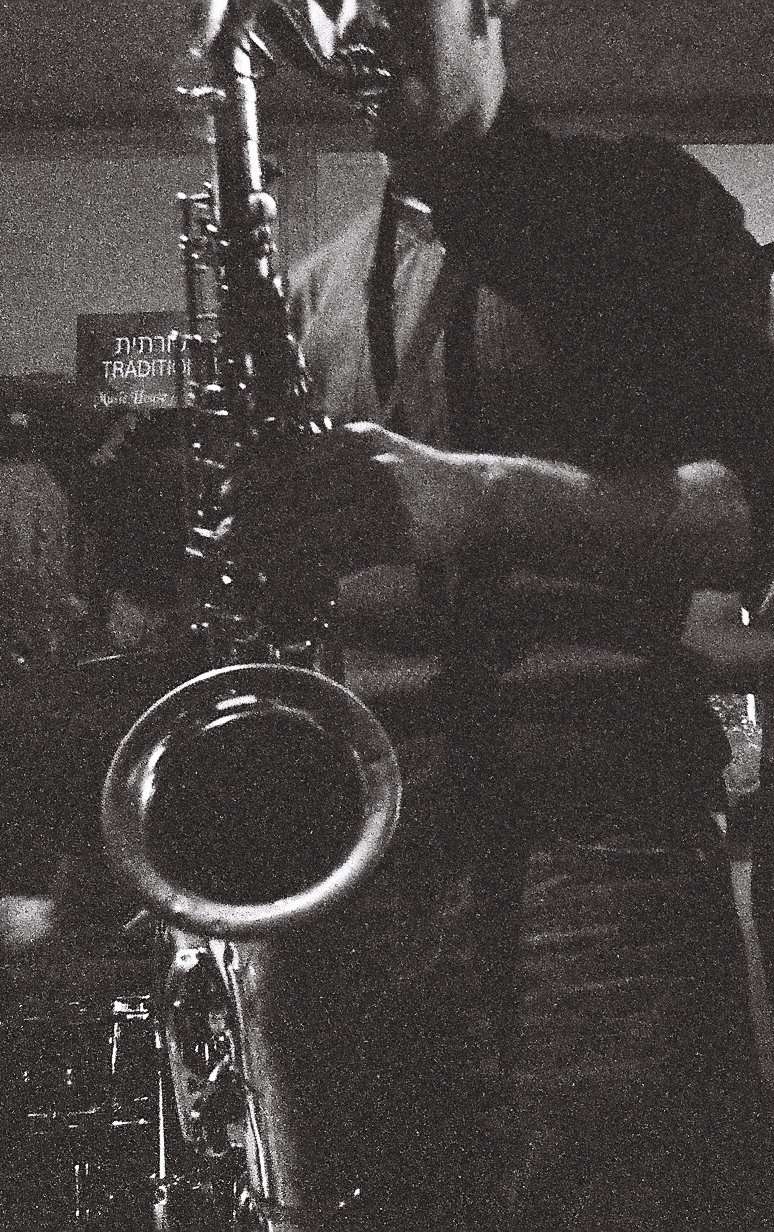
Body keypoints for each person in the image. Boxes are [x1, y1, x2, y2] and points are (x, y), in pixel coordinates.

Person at [220, 1, 774, 1229]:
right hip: (362, 880)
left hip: (598, 841)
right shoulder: (306, 294)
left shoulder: (643, 208)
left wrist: (479, 500)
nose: (350, 26)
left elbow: (755, 505)